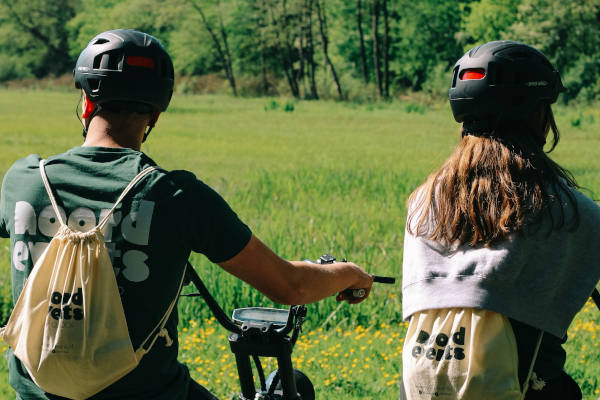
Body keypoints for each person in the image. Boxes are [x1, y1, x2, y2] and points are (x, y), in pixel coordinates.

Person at [0, 29, 373, 400]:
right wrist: (350, 273)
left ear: (85, 102)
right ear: (155, 115)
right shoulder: (176, 195)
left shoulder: (25, 181)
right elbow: (290, 286)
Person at [400, 41, 600, 399]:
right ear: (538, 115)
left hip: (419, 387)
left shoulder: (422, 203)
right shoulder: (569, 210)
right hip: (521, 387)